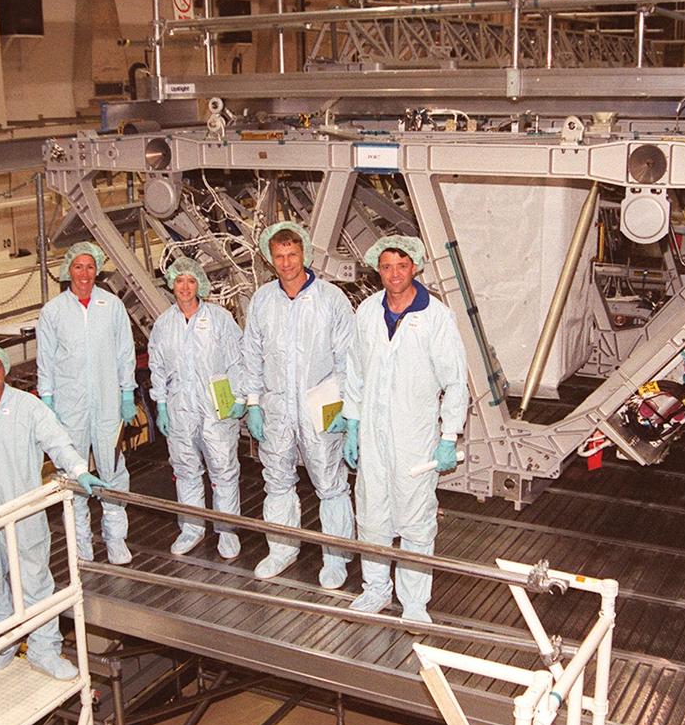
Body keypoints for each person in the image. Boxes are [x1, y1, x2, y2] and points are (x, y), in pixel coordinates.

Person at [0, 341, 107, 680]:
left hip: (22, 514)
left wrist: (79, 470)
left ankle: (44, 650)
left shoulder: (27, 407)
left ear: (5, 370)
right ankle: (2, 642)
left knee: (35, 583)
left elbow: (57, 442)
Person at [341, 236, 469, 624]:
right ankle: (376, 589)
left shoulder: (436, 317)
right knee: (372, 513)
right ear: (377, 270)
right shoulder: (365, 312)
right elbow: (355, 371)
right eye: (386, 267)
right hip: (373, 435)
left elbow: (456, 381)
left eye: (401, 265)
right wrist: (352, 422)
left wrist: (449, 437)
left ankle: (414, 603)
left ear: (414, 266)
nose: (394, 274)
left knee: (415, 519)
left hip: (415, 436)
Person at [242, 221, 355, 587]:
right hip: (276, 408)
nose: (286, 263)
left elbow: (348, 357)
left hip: (318, 406)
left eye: (292, 254)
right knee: (276, 479)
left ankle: (336, 556)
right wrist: (254, 403)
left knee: (329, 480)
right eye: (279, 256)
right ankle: (281, 549)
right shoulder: (263, 300)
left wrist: (345, 407)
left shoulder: (330, 299)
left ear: (303, 253)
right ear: (270, 258)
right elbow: (252, 354)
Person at [37, 241, 138, 565]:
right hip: (70, 406)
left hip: (108, 404)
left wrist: (127, 393)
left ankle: (116, 540)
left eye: (90, 266)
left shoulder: (112, 306)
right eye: (78, 267)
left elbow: (125, 353)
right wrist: (48, 400)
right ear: (69, 270)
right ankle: (82, 546)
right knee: (73, 474)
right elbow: (46, 361)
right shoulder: (53, 312)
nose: (84, 273)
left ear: (97, 269)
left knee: (112, 472)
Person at [148, 258, 247, 559]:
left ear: (199, 284)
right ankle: (191, 528)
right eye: (180, 281)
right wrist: (161, 405)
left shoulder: (218, 319)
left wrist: (240, 398)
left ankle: (227, 531)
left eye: (191, 281)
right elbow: (157, 367)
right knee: (185, 469)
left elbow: (237, 360)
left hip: (216, 406)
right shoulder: (164, 324)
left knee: (224, 469)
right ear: (172, 284)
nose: (185, 287)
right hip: (180, 409)